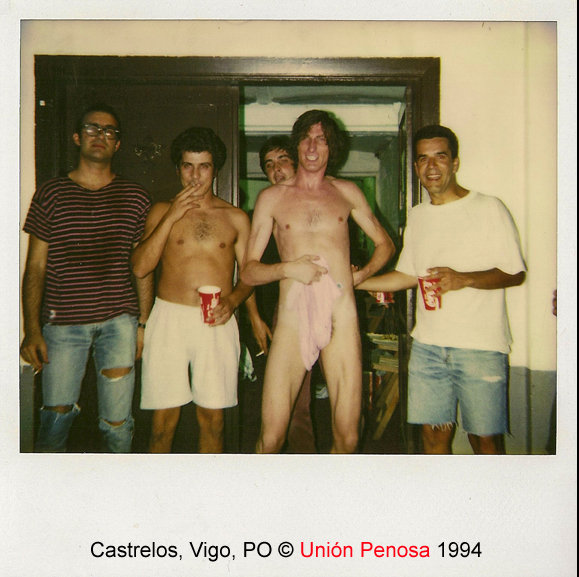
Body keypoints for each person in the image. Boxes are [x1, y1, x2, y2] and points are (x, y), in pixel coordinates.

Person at [357, 124, 526, 455]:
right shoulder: (419, 216)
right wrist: (358, 281)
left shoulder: (488, 207)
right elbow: (407, 275)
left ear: (455, 162)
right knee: (433, 438)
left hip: (480, 348)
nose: (431, 166)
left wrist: (464, 279)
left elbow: (515, 273)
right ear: (416, 166)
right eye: (423, 159)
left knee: (485, 441)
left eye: (440, 157)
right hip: (428, 348)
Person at [242, 110, 395, 454]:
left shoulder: (347, 192)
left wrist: (360, 276)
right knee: (271, 437)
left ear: (331, 148)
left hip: (342, 317)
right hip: (292, 320)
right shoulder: (272, 198)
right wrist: (287, 269)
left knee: (348, 437)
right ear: (297, 145)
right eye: (306, 139)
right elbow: (248, 271)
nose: (312, 147)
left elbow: (385, 245)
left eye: (321, 139)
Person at [20, 103, 153, 453]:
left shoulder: (135, 197)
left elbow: (142, 267)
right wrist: (31, 329)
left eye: (109, 131)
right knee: (55, 420)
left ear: (118, 144)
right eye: (92, 128)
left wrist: (143, 325)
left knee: (118, 425)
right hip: (63, 324)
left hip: (119, 321)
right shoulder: (50, 193)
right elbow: (35, 266)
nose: (100, 136)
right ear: (77, 137)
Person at [133, 126, 269, 454]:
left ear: (215, 169)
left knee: (213, 421)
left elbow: (249, 274)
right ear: (178, 169)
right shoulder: (161, 211)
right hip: (169, 318)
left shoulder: (236, 218)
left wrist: (235, 303)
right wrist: (172, 216)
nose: (195, 177)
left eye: (203, 167)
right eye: (188, 166)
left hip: (217, 320)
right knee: (162, 424)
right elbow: (140, 267)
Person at [257, 135, 316, 453]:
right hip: (287, 313)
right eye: (269, 165)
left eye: (282, 160)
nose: (276, 169)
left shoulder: (324, 199)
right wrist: (257, 318)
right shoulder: (266, 211)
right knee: (293, 406)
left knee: (348, 408)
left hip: (332, 308)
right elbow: (248, 269)